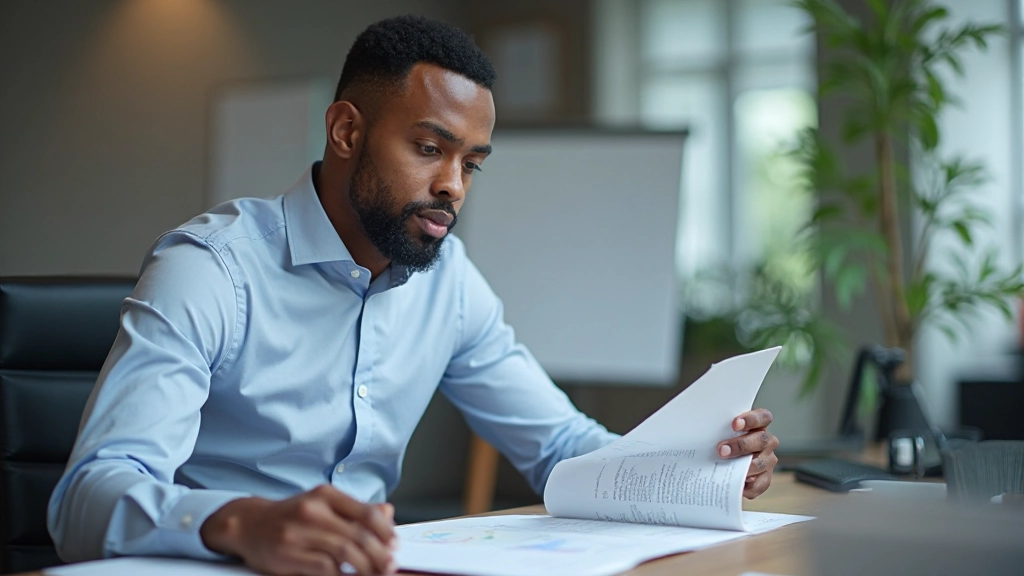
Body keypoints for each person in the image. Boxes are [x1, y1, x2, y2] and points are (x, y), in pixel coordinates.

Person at [48, 14, 780, 576]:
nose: (452, 186)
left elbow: (560, 445)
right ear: (346, 130)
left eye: (472, 164)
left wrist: (693, 469)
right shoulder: (210, 270)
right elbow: (85, 500)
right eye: (429, 149)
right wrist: (242, 523)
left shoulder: (448, 281)